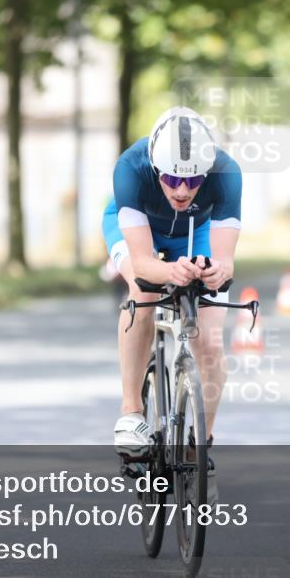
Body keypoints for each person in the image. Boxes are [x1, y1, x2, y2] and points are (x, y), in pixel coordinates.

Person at [103, 107, 242, 487]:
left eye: (193, 180)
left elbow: (226, 262)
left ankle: (200, 446)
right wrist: (169, 272)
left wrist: (217, 271)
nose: (181, 191)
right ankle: (131, 411)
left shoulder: (226, 173)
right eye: (170, 178)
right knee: (140, 290)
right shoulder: (130, 168)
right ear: (153, 165)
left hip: (198, 232)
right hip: (138, 229)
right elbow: (145, 263)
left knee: (210, 342)